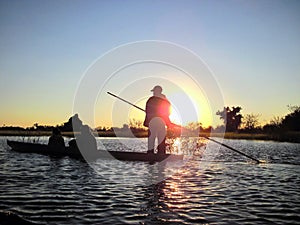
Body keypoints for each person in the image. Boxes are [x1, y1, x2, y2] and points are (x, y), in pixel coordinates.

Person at [143, 85, 172, 154]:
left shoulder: (151, 100)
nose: (153, 93)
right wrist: (168, 122)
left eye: (154, 91)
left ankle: (151, 154)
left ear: (157, 91)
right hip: (160, 122)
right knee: (160, 139)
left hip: (153, 122)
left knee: (151, 139)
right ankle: (161, 154)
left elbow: (147, 111)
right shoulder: (165, 100)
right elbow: (168, 112)